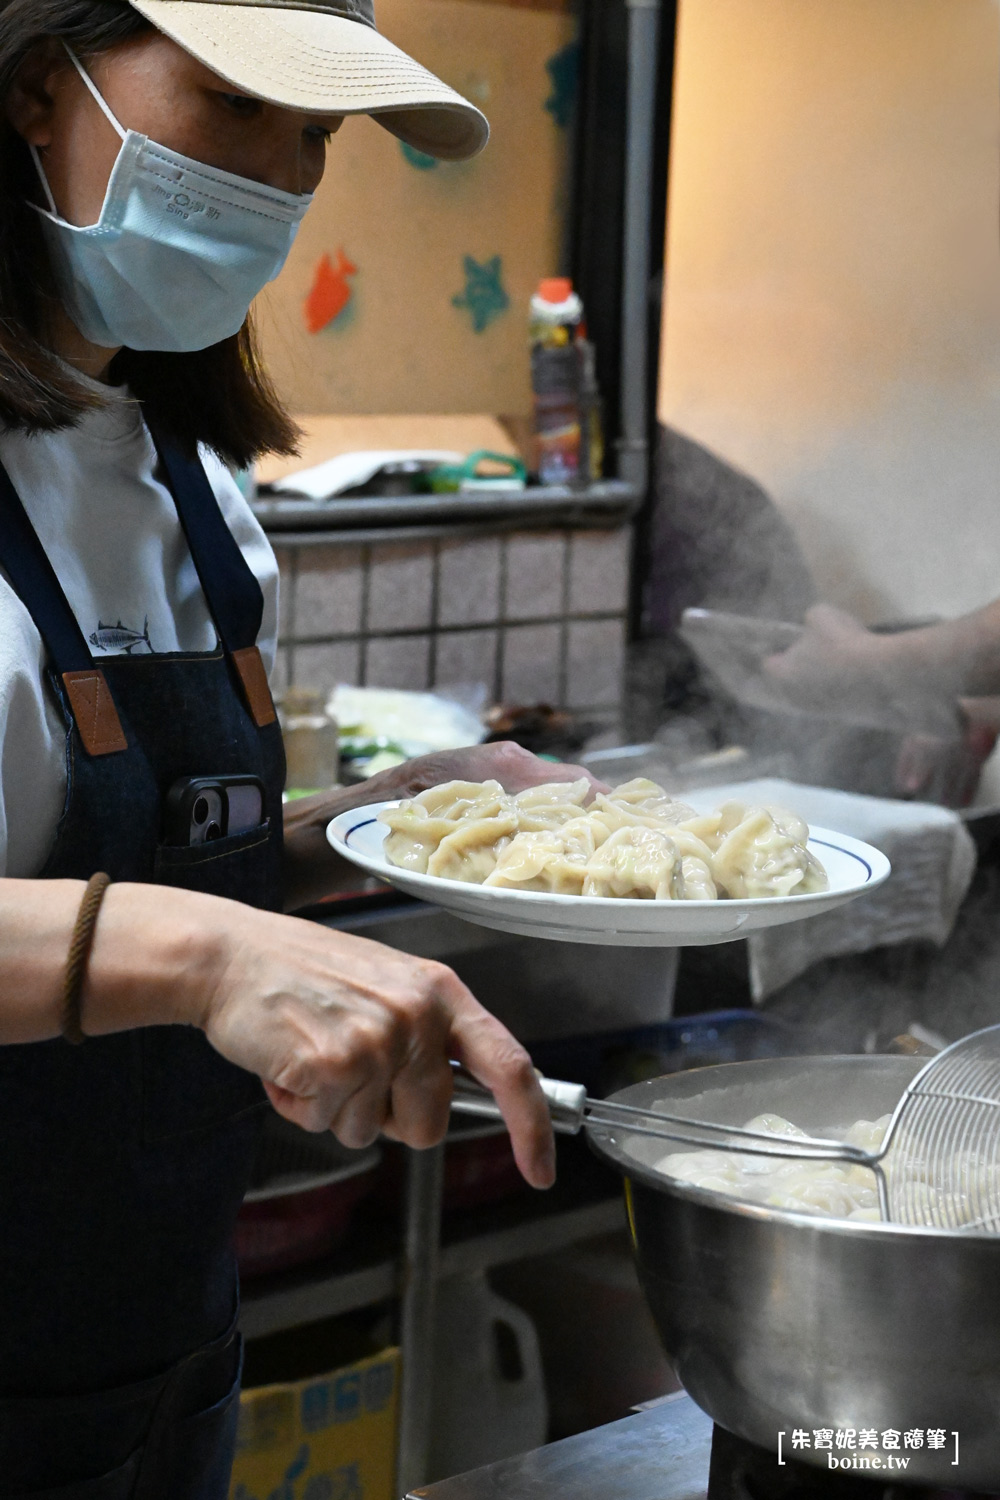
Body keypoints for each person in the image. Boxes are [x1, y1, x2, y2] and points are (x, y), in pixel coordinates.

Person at [0, 2, 595, 1491]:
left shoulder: (193, 491)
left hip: (156, 1348)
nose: (277, 175)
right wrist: (212, 962)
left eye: (315, 133)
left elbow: (150, 852)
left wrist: (395, 815)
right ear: (32, 83)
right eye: (232, 102)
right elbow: (183, 936)